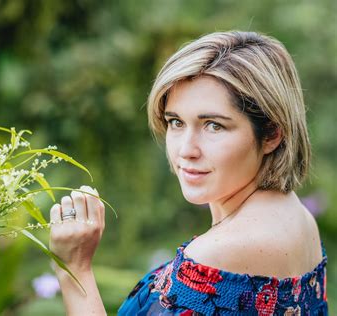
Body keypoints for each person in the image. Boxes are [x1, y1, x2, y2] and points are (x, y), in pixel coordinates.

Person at [48, 31, 328, 315]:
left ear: (271, 134)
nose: (186, 150)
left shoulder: (215, 256)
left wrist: (75, 268)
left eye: (214, 126)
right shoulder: (298, 218)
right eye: (176, 122)